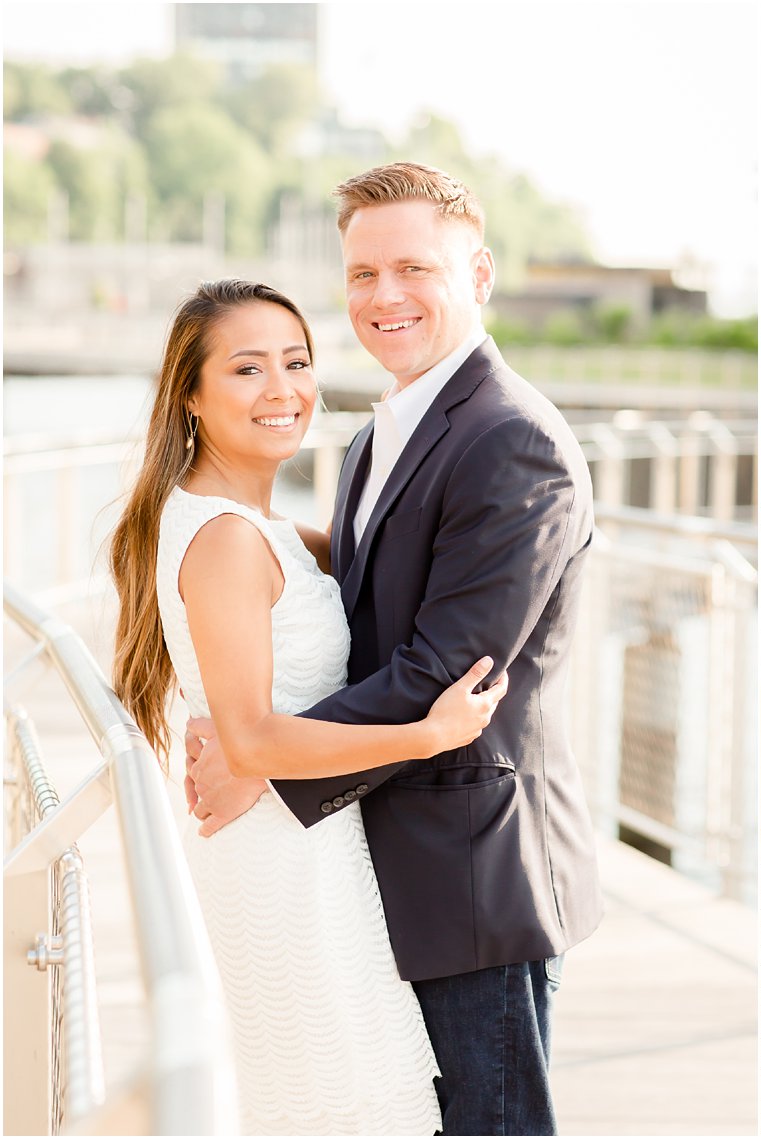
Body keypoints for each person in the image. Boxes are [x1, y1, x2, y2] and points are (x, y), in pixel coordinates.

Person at [184, 163, 604, 1136]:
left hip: (475, 875)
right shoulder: (384, 434)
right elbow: (375, 587)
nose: (383, 296)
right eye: (361, 273)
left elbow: (442, 671)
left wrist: (261, 753)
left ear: (480, 275)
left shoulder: (511, 440)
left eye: (412, 267)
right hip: (389, 867)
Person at [109, 278, 508, 1134]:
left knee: (334, 1097)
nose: (283, 388)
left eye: (297, 361)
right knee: (334, 1101)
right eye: (247, 368)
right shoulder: (223, 538)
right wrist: (427, 731)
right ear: (190, 394)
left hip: (305, 849)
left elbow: (367, 570)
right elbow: (249, 738)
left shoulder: (260, 526)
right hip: (280, 865)